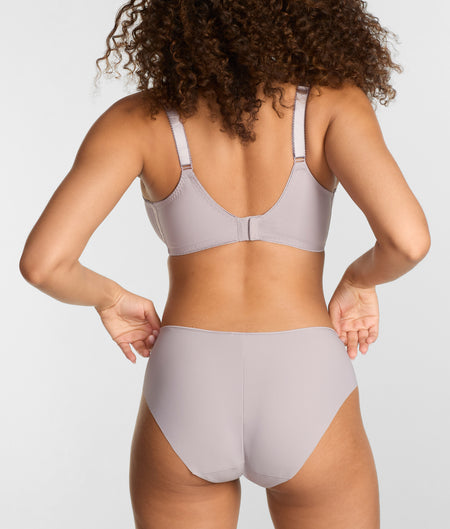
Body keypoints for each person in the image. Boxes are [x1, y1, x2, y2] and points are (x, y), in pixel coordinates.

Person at [19, 1, 431, 528]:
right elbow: (407, 242)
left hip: (187, 384)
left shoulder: (138, 120)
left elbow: (44, 264)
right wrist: (359, 280)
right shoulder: (332, 105)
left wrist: (110, 299)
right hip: (306, 379)